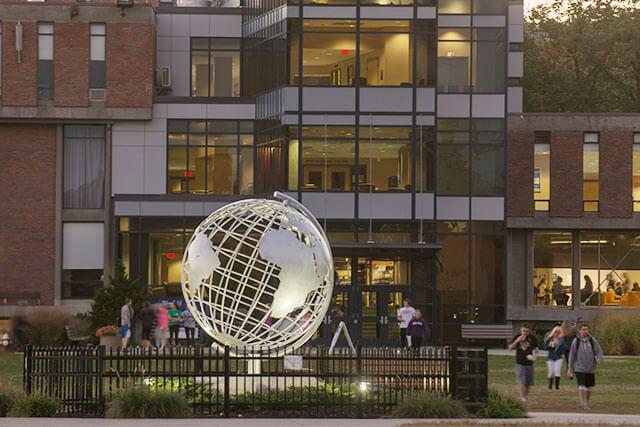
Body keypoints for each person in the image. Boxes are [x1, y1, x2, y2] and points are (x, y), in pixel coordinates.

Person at [567, 323, 604, 410]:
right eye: (583, 329)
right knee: (582, 386)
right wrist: (570, 368)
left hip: (590, 368)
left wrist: (599, 359)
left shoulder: (592, 340)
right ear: (580, 330)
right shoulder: (576, 341)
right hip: (579, 367)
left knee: (589, 387)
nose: (585, 331)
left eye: (586, 329)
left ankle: (587, 403)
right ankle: (583, 403)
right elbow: (571, 355)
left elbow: (599, 351)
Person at [508, 323, 539, 403]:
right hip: (520, 362)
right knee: (522, 381)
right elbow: (510, 348)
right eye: (523, 331)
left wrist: (535, 355)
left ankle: (525, 397)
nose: (525, 332)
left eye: (526, 331)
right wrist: (517, 340)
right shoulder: (517, 337)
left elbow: (536, 348)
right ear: (521, 330)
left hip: (529, 362)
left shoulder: (532, 338)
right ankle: (522, 398)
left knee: (528, 382)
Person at [544, 326, 566, 390]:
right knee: (551, 373)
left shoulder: (561, 340)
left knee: (557, 371)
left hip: (558, 357)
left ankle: (557, 386)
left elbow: (564, 347)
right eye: (556, 331)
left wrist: (561, 337)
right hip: (550, 357)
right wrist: (548, 340)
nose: (557, 333)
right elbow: (545, 347)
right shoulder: (550, 338)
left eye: (559, 332)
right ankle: (550, 385)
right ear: (553, 332)